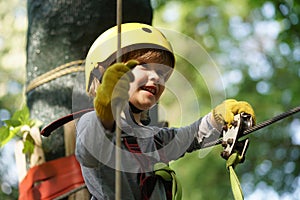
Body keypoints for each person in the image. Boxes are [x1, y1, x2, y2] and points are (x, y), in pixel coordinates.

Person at [75, 23, 256, 200]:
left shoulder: (155, 139)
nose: (156, 77)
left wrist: (217, 117)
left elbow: (192, 136)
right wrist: (106, 112)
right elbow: (89, 152)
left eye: (162, 73)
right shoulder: (92, 123)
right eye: (143, 65)